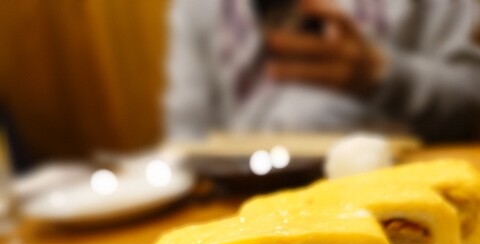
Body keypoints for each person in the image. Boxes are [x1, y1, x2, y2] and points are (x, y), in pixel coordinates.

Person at [164, 0, 480, 142]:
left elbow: (470, 94)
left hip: (398, 183)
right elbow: (186, 133)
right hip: (239, 207)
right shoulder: (197, 6)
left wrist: (383, 74)